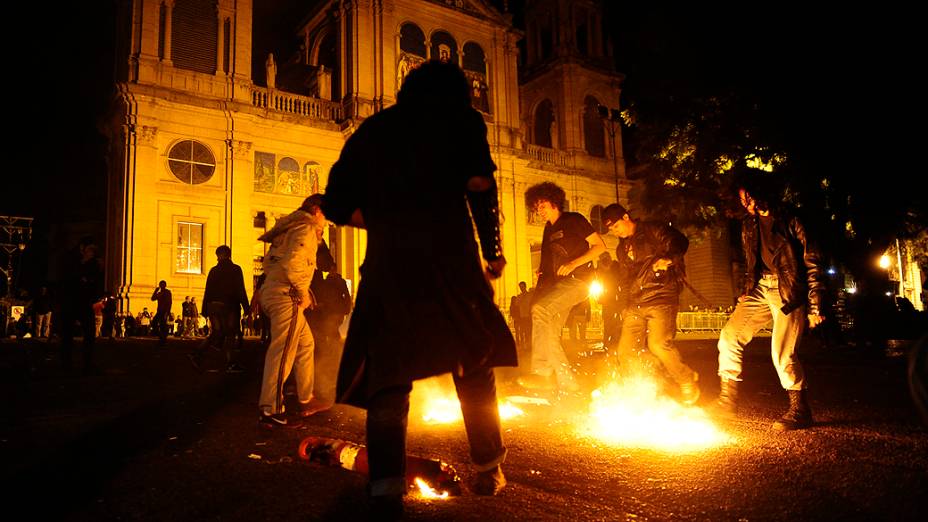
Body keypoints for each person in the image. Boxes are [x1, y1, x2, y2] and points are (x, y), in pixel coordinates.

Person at [322, 60, 516, 516]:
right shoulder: (460, 121)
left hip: (390, 265)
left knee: (389, 376)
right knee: (472, 361)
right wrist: (493, 253)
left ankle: (386, 486)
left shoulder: (374, 130)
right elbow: (480, 186)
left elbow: (334, 202)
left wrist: (386, 223)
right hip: (451, 260)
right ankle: (489, 465)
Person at [714, 171, 825, 430]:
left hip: (787, 291)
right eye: (742, 200)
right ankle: (727, 401)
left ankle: (800, 410)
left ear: (761, 192)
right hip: (760, 288)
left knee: (783, 353)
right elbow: (749, 261)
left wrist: (815, 304)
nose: (746, 204)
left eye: (749, 197)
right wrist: (746, 288)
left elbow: (813, 261)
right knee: (729, 336)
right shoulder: (749, 224)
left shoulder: (791, 218)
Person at [601, 203, 699, 405]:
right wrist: (624, 305)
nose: (615, 231)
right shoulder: (621, 249)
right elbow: (625, 279)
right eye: (611, 229)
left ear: (626, 217)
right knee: (625, 352)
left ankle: (686, 379)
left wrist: (666, 259)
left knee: (658, 344)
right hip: (635, 303)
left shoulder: (652, 229)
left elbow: (680, 241)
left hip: (661, 296)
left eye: (616, 226)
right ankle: (640, 389)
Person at [519, 182, 606, 393]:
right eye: (536, 207)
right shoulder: (548, 229)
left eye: (542, 205)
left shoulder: (574, 219)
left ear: (554, 202)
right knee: (549, 333)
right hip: (558, 287)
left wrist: (573, 263)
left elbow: (600, 246)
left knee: (540, 310)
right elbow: (545, 266)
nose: (539, 210)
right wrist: (539, 286)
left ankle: (541, 373)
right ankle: (570, 385)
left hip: (579, 281)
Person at [256, 194, 326, 428]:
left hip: (274, 290)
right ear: (317, 210)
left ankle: (306, 398)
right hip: (287, 296)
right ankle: (271, 409)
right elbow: (294, 264)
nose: (327, 221)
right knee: (284, 350)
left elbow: (269, 264)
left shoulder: (289, 229)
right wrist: (303, 292)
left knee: (306, 344)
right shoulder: (306, 228)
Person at [188, 245, 250, 373]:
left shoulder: (213, 270)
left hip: (213, 305)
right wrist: (246, 307)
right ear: (229, 254)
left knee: (216, 332)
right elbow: (240, 289)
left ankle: (197, 353)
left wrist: (204, 309)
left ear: (218, 255)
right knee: (230, 333)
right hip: (229, 305)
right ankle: (230, 362)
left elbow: (208, 290)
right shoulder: (235, 269)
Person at [58, 236, 103, 373]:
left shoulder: (94, 264)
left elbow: (95, 283)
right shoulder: (71, 261)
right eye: (90, 250)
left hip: (84, 303)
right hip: (70, 302)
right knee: (67, 336)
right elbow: (66, 280)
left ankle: (87, 363)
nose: (92, 253)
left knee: (89, 335)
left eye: (94, 251)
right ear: (82, 248)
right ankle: (66, 364)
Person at [151, 281, 172, 346]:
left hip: (164, 311)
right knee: (154, 323)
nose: (161, 286)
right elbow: (153, 298)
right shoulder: (159, 293)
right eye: (160, 285)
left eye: (162, 285)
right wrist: (155, 291)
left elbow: (169, 302)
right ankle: (161, 337)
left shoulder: (167, 292)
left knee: (163, 325)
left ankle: (163, 338)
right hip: (159, 311)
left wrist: (168, 312)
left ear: (165, 285)